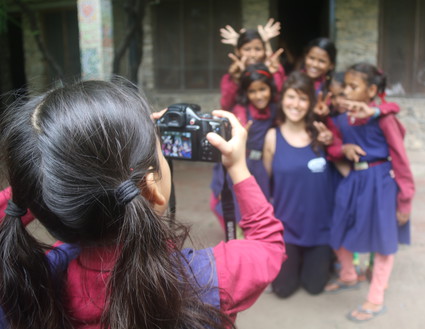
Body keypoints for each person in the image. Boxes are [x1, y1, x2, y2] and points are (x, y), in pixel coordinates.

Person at [0, 79, 286, 329]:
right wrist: (238, 167)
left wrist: (45, 174)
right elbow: (268, 244)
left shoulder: (26, 285)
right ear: (150, 187)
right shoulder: (207, 277)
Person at [324, 63, 415, 322]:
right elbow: (334, 137)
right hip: (354, 179)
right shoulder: (345, 118)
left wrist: (404, 201)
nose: (347, 92)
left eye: (354, 87)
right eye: (346, 87)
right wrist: (342, 146)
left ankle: (375, 298)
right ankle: (350, 274)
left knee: (384, 240)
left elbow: (401, 160)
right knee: (338, 226)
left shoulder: (385, 119)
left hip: (381, 181)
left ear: (372, 90)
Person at [262, 71, 335, 298]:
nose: (296, 104)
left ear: (311, 103)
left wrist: (332, 144)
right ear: (282, 99)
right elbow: (267, 183)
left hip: (320, 228)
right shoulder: (272, 137)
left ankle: (318, 259)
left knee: (314, 287)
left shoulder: (321, 136)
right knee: (282, 290)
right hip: (287, 229)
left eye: (303, 99)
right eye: (291, 97)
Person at [211, 63, 278, 227]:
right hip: (241, 164)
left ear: (270, 89)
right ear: (246, 93)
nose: (258, 96)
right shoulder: (241, 111)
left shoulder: (275, 110)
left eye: (263, 89)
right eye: (252, 91)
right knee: (236, 210)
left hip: (261, 167)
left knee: (258, 209)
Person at [219, 20, 285, 111]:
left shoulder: (272, 71)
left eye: (258, 49)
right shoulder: (230, 78)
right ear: (238, 51)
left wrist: (274, 74)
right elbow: (226, 106)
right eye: (247, 49)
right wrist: (236, 80)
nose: (253, 54)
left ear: (264, 50)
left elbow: (280, 99)